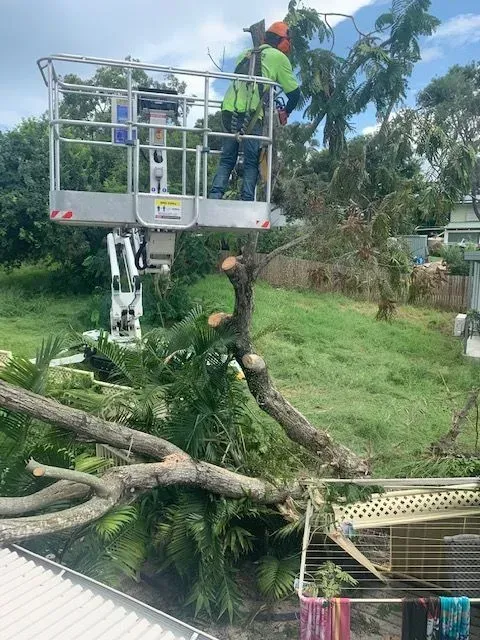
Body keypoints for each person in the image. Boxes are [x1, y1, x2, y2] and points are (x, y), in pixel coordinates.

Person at [209, 21, 300, 201]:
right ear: (282, 41)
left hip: (228, 112)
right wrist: (285, 112)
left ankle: (215, 195)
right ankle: (247, 199)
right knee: (252, 160)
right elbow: (295, 93)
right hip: (251, 115)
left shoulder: (245, 53)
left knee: (227, 159)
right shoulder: (278, 57)